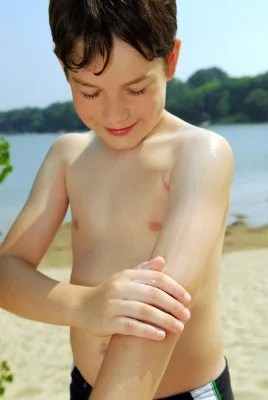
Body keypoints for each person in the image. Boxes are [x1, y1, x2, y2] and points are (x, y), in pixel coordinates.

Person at [0, 1, 234, 399]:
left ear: (171, 59)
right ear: (64, 70)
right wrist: (84, 305)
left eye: (137, 88)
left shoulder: (198, 154)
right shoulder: (68, 156)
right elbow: (7, 271)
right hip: (86, 384)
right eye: (89, 91)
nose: (114, 113)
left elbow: (156, 317)